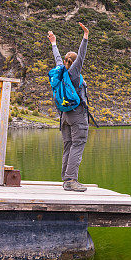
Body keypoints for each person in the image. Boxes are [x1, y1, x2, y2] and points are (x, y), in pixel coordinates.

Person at [48, 22, 91, 192]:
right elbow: (81, 55)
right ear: (73, 63)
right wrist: (85, 37)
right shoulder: (74, 73)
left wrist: (54, 43)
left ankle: (66, 179)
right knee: (78, 144)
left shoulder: (61, 69)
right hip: (77, 115)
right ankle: (71, 179)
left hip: (64, 116)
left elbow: (58, 58)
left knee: (68, 145)